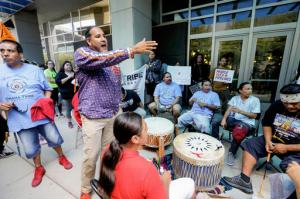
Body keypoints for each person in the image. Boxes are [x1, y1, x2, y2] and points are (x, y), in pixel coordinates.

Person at [73, 26, 157, 199]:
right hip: (93, 117)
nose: (104, 39)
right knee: (91, 157)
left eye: (104, 36)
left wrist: (119, 107)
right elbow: (98, 60)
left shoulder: (113, 62)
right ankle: (85, 190)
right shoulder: (82, 54)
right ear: (89, 41)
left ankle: (106, 184)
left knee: (109, 155)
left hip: (112, 115)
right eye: (98, 36)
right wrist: (131, 50)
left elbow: (115, 86)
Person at [0, 39, 72, 187]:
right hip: (18, 118)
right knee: (31, 147)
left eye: (10, 50)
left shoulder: (35, 70)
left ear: (20, 54)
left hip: (41, 115)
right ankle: (39, 168)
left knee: (54, 138)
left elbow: (48, 88)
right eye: (2, 51)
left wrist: (45, 102)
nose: (5, 54)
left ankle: (61, 156)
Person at [223, 84, 300, 194]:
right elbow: (267, 123)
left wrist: (287, 147)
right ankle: (244, 180)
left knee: (292, 168)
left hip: (296, 148)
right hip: (274, 139)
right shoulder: (277, 105)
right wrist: (268, 141)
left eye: (294, 103)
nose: (290, 106)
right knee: (250, 144)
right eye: (286, 103)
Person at [98, 112, 196, 199]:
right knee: (189, 183)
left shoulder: (108, 151)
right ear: (135, 139)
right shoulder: (146, 169)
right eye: (145, 128)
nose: (148, 130)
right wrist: (165, 182)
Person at [212, 82, 260, 166]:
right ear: (240, 90)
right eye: (247, 89)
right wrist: (224, 119)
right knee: (216, 122)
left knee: (238, 132)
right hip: (233, 120)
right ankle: (215, 141)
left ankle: (232, 153)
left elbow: (254, 116)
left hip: (246, 123)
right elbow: (229, 110)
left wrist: (240, 111)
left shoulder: (255, 100)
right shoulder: (235, 98)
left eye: (251, 89)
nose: (250, 91)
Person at [55, 60, 75, 128]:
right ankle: (69, 122)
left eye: (69, 65)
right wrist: (69, 77)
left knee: (76, 108)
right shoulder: (60, 74)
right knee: (68, 109)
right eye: (67, 65)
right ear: (63, 66)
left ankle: (78, 119)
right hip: (66, 96)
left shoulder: (74, 73)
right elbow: (59, 82)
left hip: (75, 94)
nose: (69, 66)